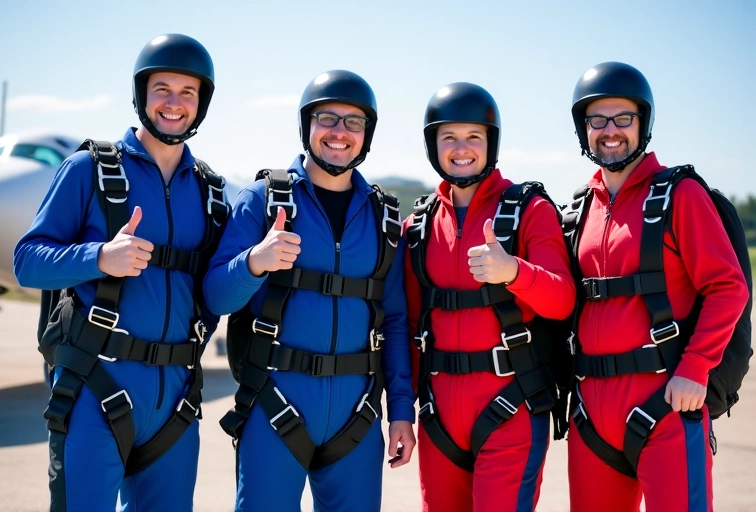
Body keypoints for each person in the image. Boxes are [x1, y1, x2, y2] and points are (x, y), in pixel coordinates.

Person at [14, 34, 226, 511]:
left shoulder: (211, 194)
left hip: (176, 401)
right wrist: (97, 257)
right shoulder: (88, 170)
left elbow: (212, 291)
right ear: (141, 95)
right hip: (94, 386)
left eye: (187, 92)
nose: (174, 103)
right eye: (162, 88)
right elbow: (27, 261)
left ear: (201, 103)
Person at [204, 69, 416, 512]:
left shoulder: (384, 220)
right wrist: (254, 263)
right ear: (307, 126)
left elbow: (395, 322)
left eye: (353, 122)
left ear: (366, 134)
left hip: (356, 418)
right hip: (274, 408)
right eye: (327, 118)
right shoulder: (261, 201)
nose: (339, 132)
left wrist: (400, 411)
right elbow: (216, 297)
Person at [565, 61, 749, 512]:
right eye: (597, 120)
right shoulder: (578, 210)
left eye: (623, 118)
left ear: (642, 125)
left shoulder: (680, 195)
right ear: (583, 129)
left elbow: (729, 287)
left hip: (667, 404)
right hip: (590, 419)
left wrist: (696, 367)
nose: (610, 131)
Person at [403, 82, 576, 511]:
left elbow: (562, 300)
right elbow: (406, 325)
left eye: (473, 137)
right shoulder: (418, 227)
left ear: (490, 143)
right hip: (438, 420)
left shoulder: (529, 209)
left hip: (511, 412)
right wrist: (402, 411)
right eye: (449, 137)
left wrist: (514, 272)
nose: (462, 148)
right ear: (433, 145)